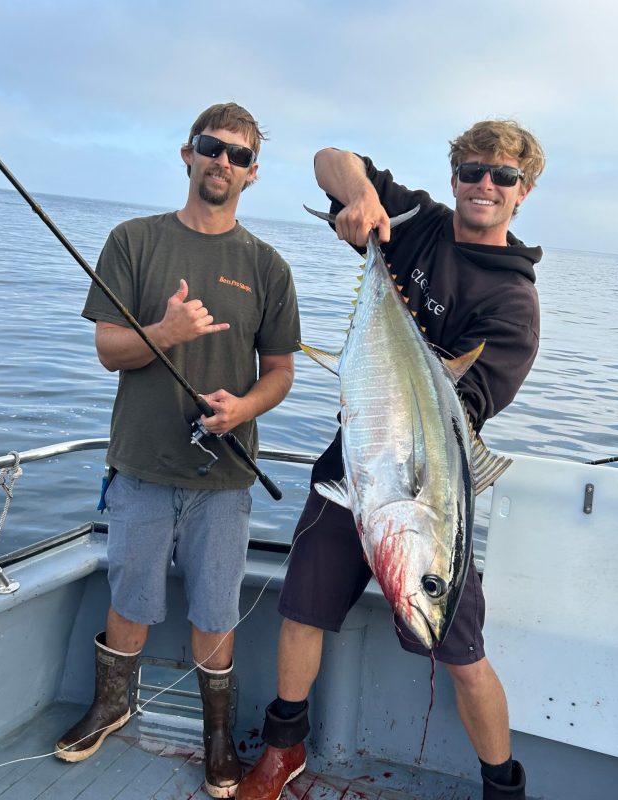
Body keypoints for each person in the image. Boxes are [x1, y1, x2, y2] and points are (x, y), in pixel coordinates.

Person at [236, 120, 545, 800]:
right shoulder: (417, 223)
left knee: (463, 658)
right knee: (301, 613)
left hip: (422, 485)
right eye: (471, 170)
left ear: (524, 193)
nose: (484, 185)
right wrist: (362, 201)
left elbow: (461, 413)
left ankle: (503, 789)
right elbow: (328, 159)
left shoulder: (514, 305)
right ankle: (282, 749)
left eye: (503, 176)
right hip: (353, 475)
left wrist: (397, 383)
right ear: (454, 177)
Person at [55, 102, 300, 800]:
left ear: (253, 175)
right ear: (187, 154)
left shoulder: (268, 265)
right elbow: (108, 350)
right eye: (211, 148)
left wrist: (244, 409)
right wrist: (165, 330)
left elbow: (280, 369)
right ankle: (111, 705)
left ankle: (217, 735)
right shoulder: (132, 241)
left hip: (224, 476)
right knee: (129, 597)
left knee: (216, 611)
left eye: (240, 156)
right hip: (139, 466)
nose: (223, 162)